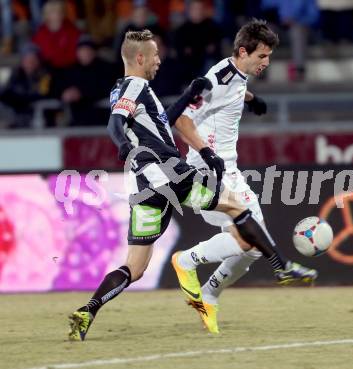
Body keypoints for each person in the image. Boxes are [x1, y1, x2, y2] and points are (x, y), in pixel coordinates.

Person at [68, 28, 316, 341]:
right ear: (140, 58)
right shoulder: (135, 85)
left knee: (135, 266)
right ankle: (280, 266)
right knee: (238, 209)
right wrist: (123, 144)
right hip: (168, 173)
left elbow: (169, 116)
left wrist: (203, 96)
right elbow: (116, 121)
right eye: (155, 55)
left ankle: (87, 310)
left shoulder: (127, 88)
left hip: (143, 186)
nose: (160, 60)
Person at [172, 19, 317, 334]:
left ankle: (210, 293)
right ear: (243, 51)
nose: (266, 63)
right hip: (205, 172)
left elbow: (234, 89)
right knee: (250, 239)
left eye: (268, 57)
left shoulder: (234, 75)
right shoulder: (216, 80)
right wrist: (206, 152)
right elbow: (182, 121)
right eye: (262, 56)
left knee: (253, 248)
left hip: (230, 171)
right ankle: (186, 261)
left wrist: (252, 99)